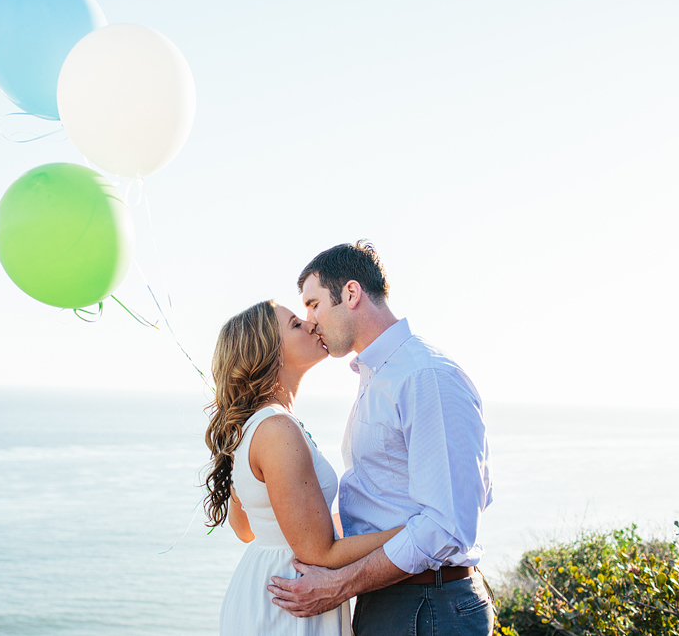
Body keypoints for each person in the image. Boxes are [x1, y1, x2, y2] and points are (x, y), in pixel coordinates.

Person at [267, 241, 494, 636]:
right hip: (394, 599)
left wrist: (340, 585)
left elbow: (448, 525)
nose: (311, 321)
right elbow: (384, 500)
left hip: (427, 605)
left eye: (314, 304)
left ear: (351, 294)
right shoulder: (379, 374)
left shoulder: (424, 375)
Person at [205, 300, 405, 636]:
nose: (312, 324)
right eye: (296, 324)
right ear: (269, 351)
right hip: (288, 604)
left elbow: (249, 530)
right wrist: (415, 530)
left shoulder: (260, 425)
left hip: (272, 589)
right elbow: (319, 552)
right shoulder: (276, 429)